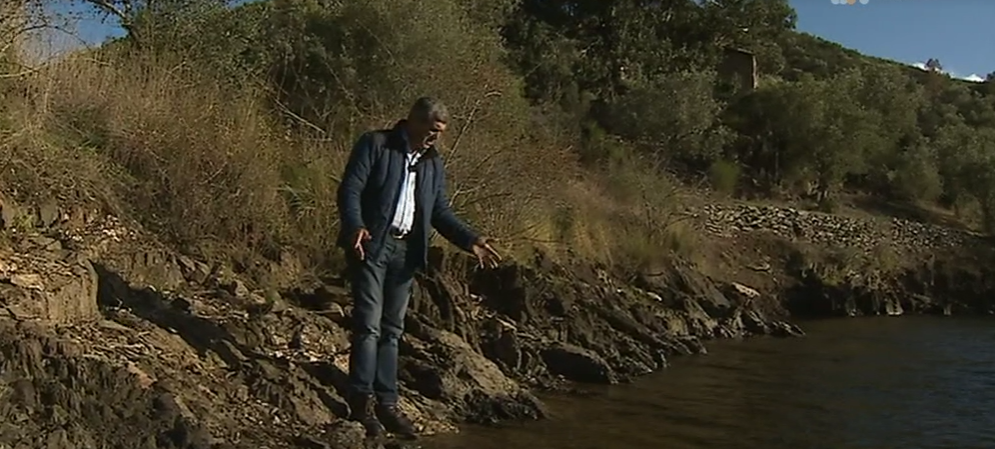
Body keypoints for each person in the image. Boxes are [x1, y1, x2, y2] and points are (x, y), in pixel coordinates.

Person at [335, 97, 502, 438]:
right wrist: (355, 224)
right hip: (370, 246)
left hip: (406, 253)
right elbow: (350, 189)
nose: (435, 138)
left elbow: (439, 211)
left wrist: (469, 239)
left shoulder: (433, 164)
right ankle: (361, 401)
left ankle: (388, 403)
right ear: (413, 121)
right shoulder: (376, 144)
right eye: (431, 130)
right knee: (368, 325)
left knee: (393, 330)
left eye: (440, 133)